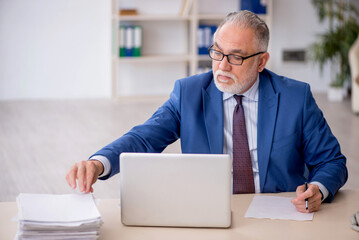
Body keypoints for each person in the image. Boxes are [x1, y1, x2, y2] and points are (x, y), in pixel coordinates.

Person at [66, 11, 347, 213]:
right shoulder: (189, 93)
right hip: (208, 211)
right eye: (217, 52)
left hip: (279, 212)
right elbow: (144, 138)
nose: (222, 66)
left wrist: (318, 189)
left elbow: (332, 161)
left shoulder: (295, 97)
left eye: (236, 57)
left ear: (262, 61)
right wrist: (99, 163)